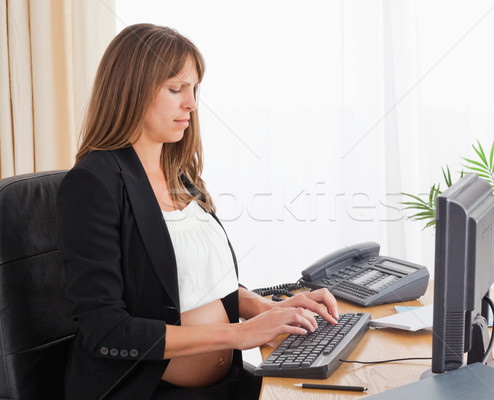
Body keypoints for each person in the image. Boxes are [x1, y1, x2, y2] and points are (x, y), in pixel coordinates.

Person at [57, 23, 339, 400]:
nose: (190, 103)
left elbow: (201, 285)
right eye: (176, 89)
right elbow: (105, 330)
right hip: (146, 391)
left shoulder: (179, 174)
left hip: (228, 384)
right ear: (131, 90)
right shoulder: (94, 183)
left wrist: (266, 307)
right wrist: (239, 334)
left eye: (193, 89)